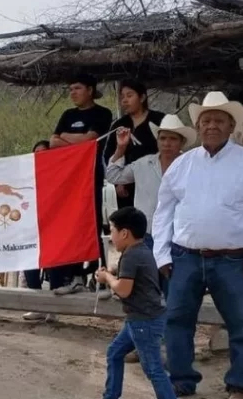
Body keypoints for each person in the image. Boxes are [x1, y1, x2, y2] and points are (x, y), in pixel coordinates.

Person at [153, 91, 243, 399]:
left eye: (219, 120)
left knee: (240, 323)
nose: (212, 125)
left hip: (234, 259)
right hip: (185, 257)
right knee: (177, 320)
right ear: (198, 127)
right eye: (206, 120)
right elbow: (163, 212)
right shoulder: (182, 165)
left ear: (230, 126)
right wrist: (162, 254)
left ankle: (241, 385)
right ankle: (181, 379)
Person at [80, 207, 184, 399]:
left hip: (143, 321)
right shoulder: (141, 250)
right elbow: (134, 276)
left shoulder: (132, 255)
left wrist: (108, 277)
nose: (112, 235)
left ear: (125, 233)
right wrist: (116, 271)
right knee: (115, 353)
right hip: (142, 318)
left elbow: (124, 290)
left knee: (154, 369)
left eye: (113, 231)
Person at [104, 114, 195, 299]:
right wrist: (121, 147)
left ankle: (167, 325)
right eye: (163, 138)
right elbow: (113, 176)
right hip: (147, 237)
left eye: (172, 138)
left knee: (173, 290)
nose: (167, 143)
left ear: (181, 142)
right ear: (157, 140)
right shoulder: (144, 164)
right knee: (147, 290)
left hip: (177, 238)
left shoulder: (192, 165)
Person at [49, 73, 113, 297]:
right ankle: (75, 276)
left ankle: (102, 278)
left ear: (90, 89)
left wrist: (68, 138)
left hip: (90, 177)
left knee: (93, 225)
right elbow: (53, 142)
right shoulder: (67, 114)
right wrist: (75, 139)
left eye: (77, 88)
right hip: (68, 180)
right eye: (70, 89)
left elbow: (91, 141)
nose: (73, 93)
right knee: (72, 226)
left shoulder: (102, 113)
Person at [100, 79, 166, 210]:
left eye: (129, 96)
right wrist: (119, 182)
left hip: (155, 180)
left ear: (142, 97)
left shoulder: (159, 119)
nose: (124, 100)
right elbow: (109, 155)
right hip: (127, 186)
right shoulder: (118, 125)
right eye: (122, 97)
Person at [22, 140, 54, 321]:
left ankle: (53, 309)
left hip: (52, 226)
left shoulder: (58, 175)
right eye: (37, 152)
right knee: (30, 266)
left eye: (44, 152)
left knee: (53, 267)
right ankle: (36, 306)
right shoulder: (26, 176)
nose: (40, 155)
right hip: (30, 227)